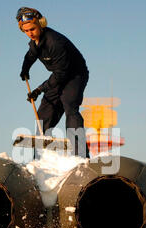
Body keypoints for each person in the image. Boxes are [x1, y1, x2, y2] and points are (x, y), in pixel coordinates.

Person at [16, 7, 90, 158]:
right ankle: (40, 158)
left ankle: (80, 155)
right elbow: (31, 55)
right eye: (26, 31)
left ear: (41, 24)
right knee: (44, 114)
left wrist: (39, 89)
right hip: (58, 76)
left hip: (74, 75)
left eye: (32, 29)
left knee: (69, 104)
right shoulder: (35, 42)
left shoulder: (55, 42)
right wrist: (25, 69)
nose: (30, 33)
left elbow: (61, 75)